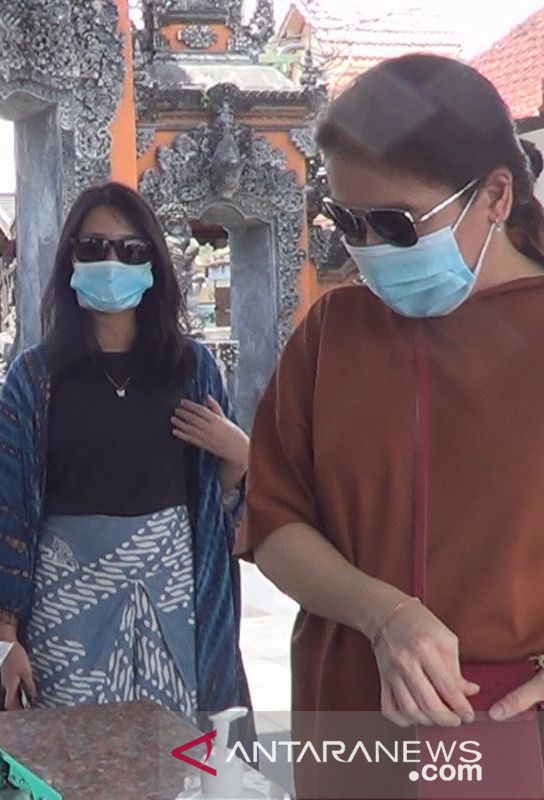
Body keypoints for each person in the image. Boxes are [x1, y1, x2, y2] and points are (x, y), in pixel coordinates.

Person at [244, 54, 544, 797]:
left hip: (505, 730)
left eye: (394, 223)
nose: (369, 247)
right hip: (345, 718)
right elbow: (274, 523)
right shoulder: (333, 333)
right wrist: (384, 616)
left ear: (495, 195)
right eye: (349, 221)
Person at [0, 182, 251, 729]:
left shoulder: (192, 369)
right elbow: (6, 513)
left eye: (131, 250)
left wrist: (241, 452)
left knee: (176, 759)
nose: (111, 261)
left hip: (175, 594)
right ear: (70, 258)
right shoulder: (35, 378)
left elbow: (221, 497)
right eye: (94, 247)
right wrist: (7, 640)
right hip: (64, 602)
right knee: (74, 761)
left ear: (154, 266)